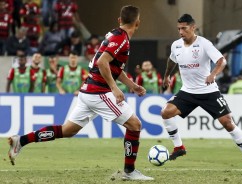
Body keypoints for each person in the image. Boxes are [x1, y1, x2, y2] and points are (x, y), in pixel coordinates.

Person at [8, 5, 153, 180]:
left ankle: (21, 141)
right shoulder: (121, 38)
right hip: (99, 92)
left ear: (119, 20)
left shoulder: (113, 35)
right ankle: (129, 172)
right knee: (134, 125)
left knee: (67, 130)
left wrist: (132, 85)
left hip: (88, 92)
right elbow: (102, 62)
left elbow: (113, 66)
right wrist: (114, 88)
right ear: (138, 23)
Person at [161, 14, 242, 167]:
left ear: (193, 28)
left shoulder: (204, 44)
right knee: (166, 112)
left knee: (227, 122)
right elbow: (172, 60)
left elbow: (221, 61)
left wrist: (213, 74)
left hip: (208, 91)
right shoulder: (176, 45)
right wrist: (167, 76)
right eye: (178, 29)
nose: (180, 32)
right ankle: (179, 147)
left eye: (184, 28)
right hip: (188, 92)